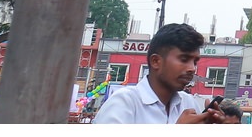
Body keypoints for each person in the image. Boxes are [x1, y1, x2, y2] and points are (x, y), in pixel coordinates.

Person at [93, 23, 223, 124]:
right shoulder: (125, 102)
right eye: (184, 59)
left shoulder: (189, 103)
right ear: (156, 61)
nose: (192, 68)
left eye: (195, 62)